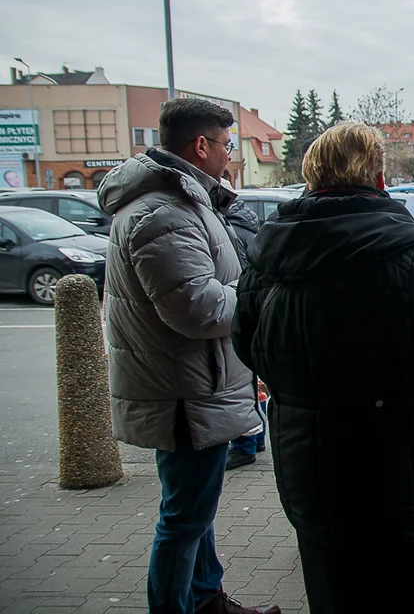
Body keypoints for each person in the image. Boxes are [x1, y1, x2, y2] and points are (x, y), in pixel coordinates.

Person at [232, 123, 414, 614]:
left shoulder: (267, 256)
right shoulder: (407, 254)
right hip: (405, 473)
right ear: (379, 179)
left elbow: (250, 348)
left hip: (311, 469)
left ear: (310, 179)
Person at [97, 98, 277, 614]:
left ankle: (206, 599)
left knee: (195, 511)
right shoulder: (163, 212)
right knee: (183, 519)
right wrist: (258, 295)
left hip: (191, 386)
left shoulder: (178, 203)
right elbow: (196, 308)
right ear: (201, 145)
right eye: (226, 144)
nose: (229, 154)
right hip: (183, 392)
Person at [222, 196, 267, 470]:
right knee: (252, 381)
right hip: (252, 304)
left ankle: (246, 443)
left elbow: (240, 275)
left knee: (243, 378)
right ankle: (256, 435)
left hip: (237, 306)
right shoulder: (247, 222)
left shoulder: (227, 227)